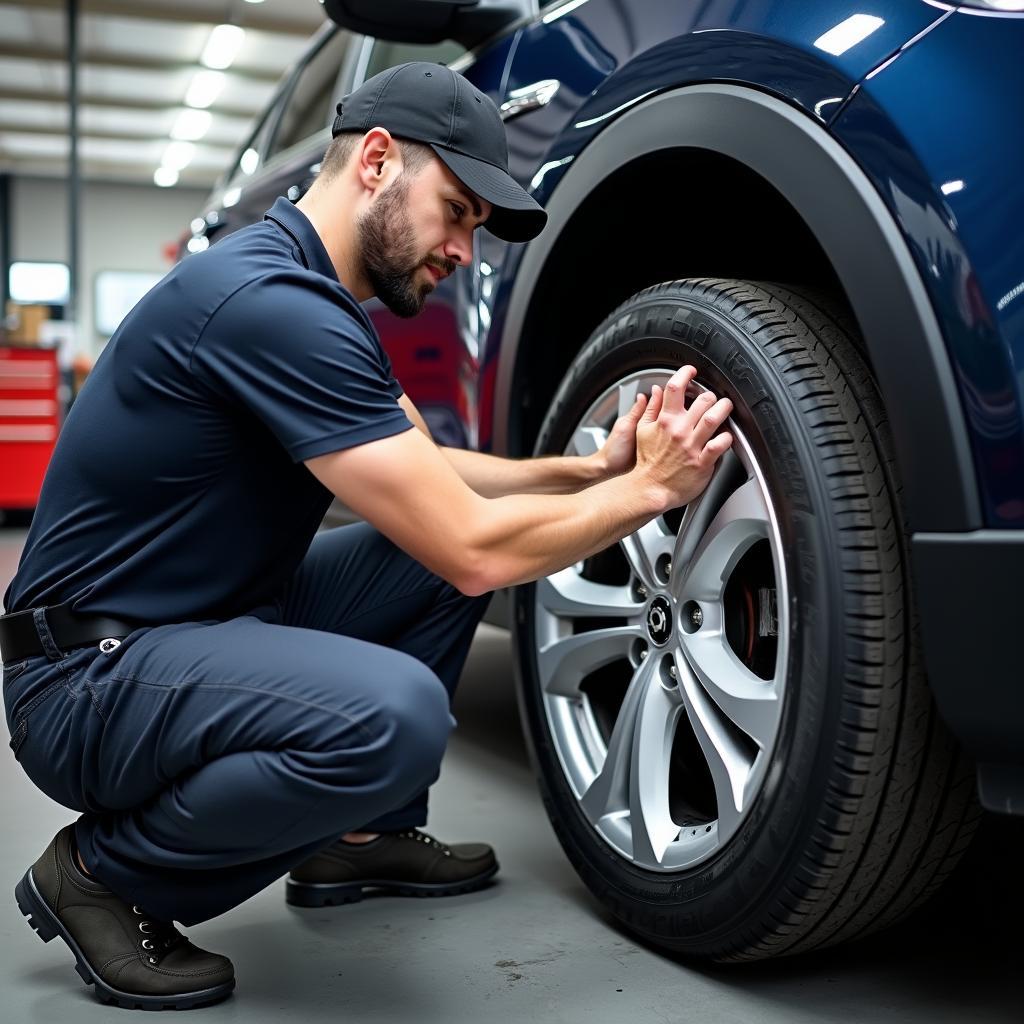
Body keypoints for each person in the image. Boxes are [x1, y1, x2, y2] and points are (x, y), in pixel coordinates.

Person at [0, 63, 733, 1010]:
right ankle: (106, 877)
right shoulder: (269, 306)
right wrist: (647, 495)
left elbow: (438, 478)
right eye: (458, 211)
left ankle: (359, 839)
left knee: (417, 558)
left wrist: (591, 473)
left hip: (195, 618)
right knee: (396, 714)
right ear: (379, 161)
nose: (466, 249)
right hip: (86, 674)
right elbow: (475, 546)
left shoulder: (307, 294)